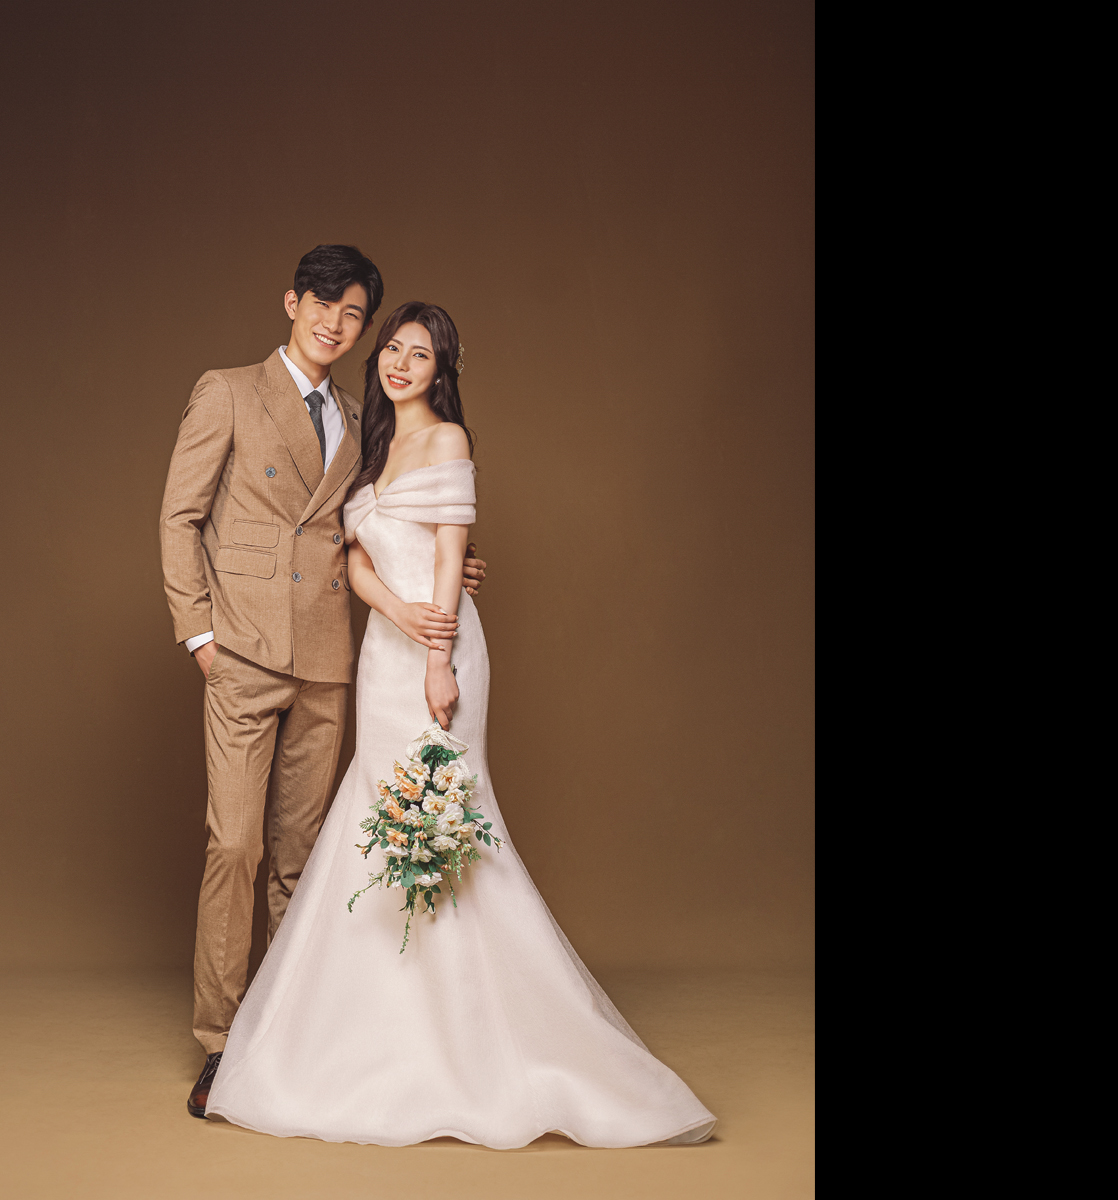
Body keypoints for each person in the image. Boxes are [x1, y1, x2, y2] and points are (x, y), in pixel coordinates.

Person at [202, 302, 716, 1148]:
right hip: (384, 650)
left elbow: (447, 555)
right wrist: (395, 613)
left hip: (437, 651)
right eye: (393, 349)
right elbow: (354, 557)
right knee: (376, 818)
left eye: (421, 355)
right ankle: (370, 1027)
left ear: (443, 372)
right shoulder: (370, 443)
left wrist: (436, 653)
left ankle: (471, 1033)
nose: (401, 364)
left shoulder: (447, 440)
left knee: (444, 826)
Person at [159, 248, 488, 1119]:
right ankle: (222, 1040)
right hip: (242, 649)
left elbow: (380, 523)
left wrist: (448, 564)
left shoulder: (360, 415)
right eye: (324, 305)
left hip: (330, 660)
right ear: (292, 302)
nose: (337, 325)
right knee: (236, 846)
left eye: (353, 314)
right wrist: (199, 634)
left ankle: (284, 1029)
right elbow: (180, 515)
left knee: (302, 856)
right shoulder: (228, 391)